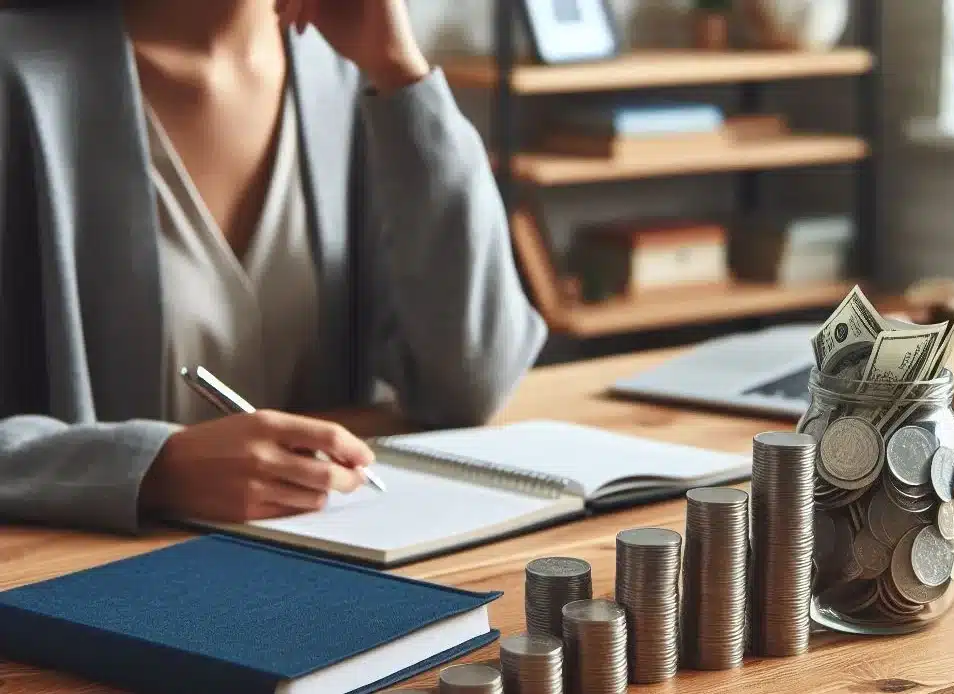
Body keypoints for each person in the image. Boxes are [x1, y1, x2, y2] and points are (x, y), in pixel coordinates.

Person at [0, 0, 547, 532]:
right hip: (90, 593)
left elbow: (469, 382)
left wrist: (400, 72)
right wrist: (151, 469)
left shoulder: (348, 72)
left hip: (334, 582)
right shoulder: (20, 75)